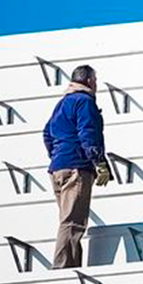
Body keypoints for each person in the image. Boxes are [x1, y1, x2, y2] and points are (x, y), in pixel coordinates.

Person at [42, 65, 111, 269]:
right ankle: (62, 269)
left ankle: (72, 267)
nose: (96, 85)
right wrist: (99, 162)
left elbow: (47, 133)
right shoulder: (85, 101)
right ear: (89, 81)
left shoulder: (62, 103)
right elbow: (88, 133)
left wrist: (57, 157)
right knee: (73, 222)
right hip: (76, 168)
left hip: (58, 168)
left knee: (70, 220)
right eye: (95, 80)